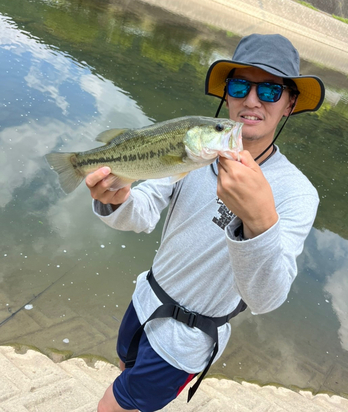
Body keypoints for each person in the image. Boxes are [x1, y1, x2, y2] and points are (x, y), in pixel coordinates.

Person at [86, 34, 325, 412]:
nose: (251, 100)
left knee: (113, 406)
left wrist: (259, 222)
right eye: (240, 85)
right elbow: (143, 210)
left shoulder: (296, 193)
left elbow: (266, 298)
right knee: (124, 371)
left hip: (186, 341)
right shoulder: (193, 153)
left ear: (290, 104)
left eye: (270, 90)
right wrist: (116, 200)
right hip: (145, 301)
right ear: (227, 95)